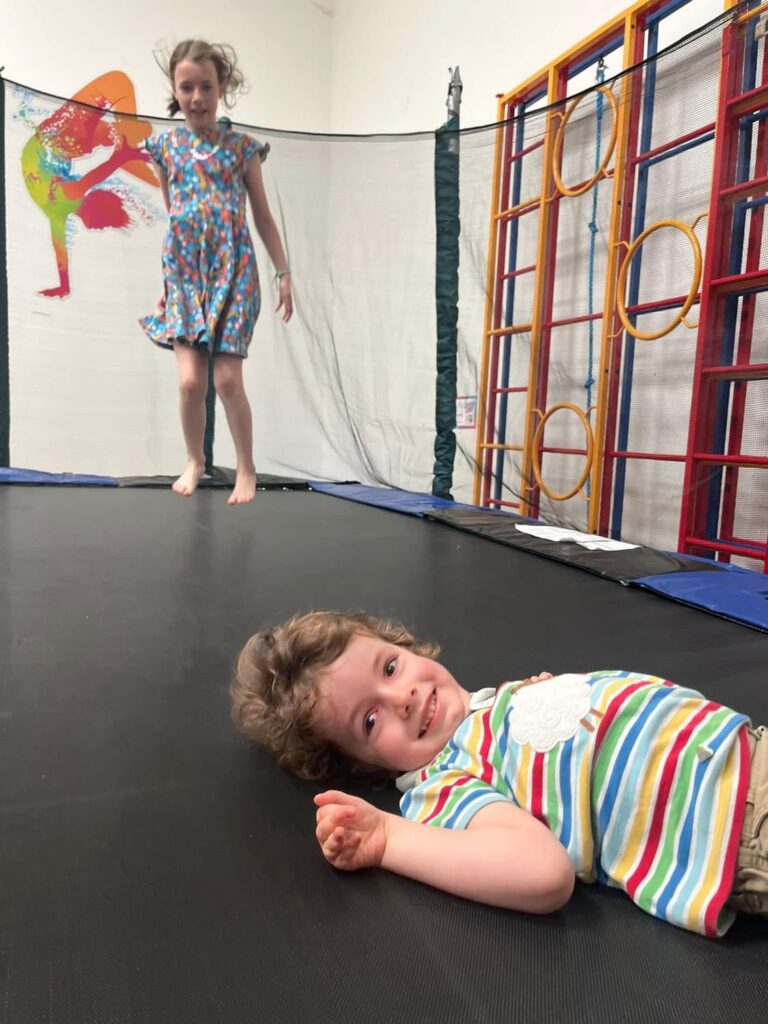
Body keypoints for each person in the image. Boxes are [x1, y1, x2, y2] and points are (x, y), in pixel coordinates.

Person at [231, 610, 768, 938]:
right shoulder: (442, 785)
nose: (403, 697)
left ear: (404, 646)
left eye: (390, 667)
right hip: (731, 818)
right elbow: (542, 873)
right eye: (369, 720)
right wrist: (389, 836)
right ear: (361, 765)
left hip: (742, 746)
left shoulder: (493, 708)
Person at [140, 40, 293, 504]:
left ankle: (246, 466)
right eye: (187, 87)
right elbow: (176, 216)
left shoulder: (241, 148)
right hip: (187, 274)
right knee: (190, 382)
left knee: (226, 380)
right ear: (174, 89)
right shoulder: (165, 147)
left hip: (235, 270)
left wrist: (283, 272)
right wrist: (170, 285)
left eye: (206, 86)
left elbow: (262, 216)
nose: (197, 97)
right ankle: (195, 460)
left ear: (221, 87)